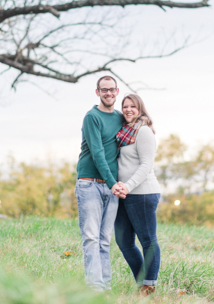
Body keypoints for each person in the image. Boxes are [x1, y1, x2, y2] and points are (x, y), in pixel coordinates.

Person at [75, 75, 128, 292]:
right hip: (89, 184)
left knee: (105, 239)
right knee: (91, 238)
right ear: (98, 92)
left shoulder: (120, 117)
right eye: (103, 90)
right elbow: (97, 153)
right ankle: (94, 288)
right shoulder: (92, 117)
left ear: (117, 92)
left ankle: (105, 287)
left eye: (111, 90)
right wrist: (113, 182)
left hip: (111, 186)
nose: (108, 93)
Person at [112, 93, 162, 297]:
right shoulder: (123, 133)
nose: (128, 110)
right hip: (124, 194)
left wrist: (128, 186)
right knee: (124, 242)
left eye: (133, 106)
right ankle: (141, 282)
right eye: (125, 107)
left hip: (142, 193)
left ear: (140, 109)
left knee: (148, 240)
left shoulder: (143, 132)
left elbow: (146, 165)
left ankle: (148, 286)